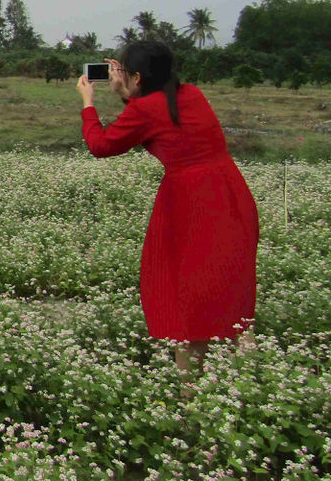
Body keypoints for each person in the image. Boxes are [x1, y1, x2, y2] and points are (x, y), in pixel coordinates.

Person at [76, 41, 259, 374]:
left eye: (126, 75)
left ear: (138, 77)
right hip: (231, 195)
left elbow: (101, 144)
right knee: (232, 292)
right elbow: (157, 116)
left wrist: (88, 104)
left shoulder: (145, 109)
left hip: (192, 205)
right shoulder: (192, 94)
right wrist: (128, 92)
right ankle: (258, 386)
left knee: (187, 299)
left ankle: (188, 401)